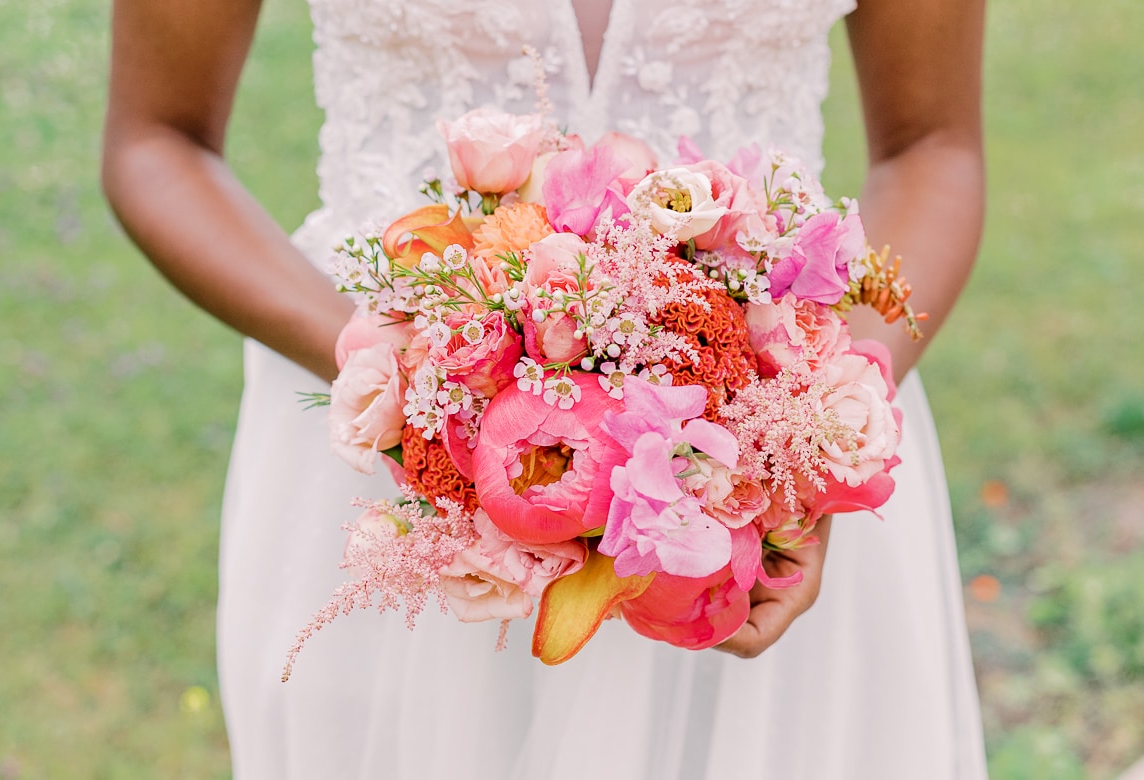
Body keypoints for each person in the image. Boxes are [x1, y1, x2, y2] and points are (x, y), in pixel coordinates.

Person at [102, 0, 988, 777]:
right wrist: (411, 378)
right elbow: (157, 138)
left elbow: (932, 144)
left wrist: (812, 424)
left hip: (761, 494)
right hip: (391, 504)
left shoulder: (787, 457)